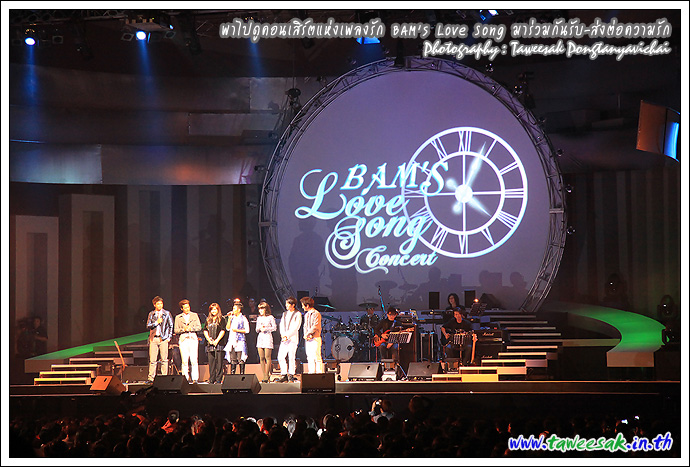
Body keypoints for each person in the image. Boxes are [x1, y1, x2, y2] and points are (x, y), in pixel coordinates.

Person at [173, 299, 202, 383]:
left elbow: (199, 327)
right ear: (182, 309)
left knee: (194, 359)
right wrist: (183, 329)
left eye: (188, 307)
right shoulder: (178, 317)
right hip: (183, 339)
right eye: (185, 308)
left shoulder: (194, 315)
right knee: (184, 360)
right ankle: (185, 378)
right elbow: (176, 330)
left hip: (192, 338)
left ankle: (195, 378)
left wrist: (191, 328)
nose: (187, 309)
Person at [146, 296, 174, 382]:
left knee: (164, 359)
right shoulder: (151, 314)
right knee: (153, 360)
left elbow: (171, 325)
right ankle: (151, 378)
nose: (160, 305)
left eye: (161, 303)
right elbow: (148, 326)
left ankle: (164, 378)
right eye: (158, 304)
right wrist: (156, 322)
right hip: (153, 339)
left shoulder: (167, 313)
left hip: (163, 339)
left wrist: (169, 337)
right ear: (154, 305)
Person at [277, 296, 302, 382]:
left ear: (293, 305)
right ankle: (284, 374)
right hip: (284, 339)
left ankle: (291, 374)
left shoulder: (297, 314)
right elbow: (281, 325)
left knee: (291, 356)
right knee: (280, 356)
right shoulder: (284, 314)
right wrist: (283, 335)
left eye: (288, 304)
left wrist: (287, 335)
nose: (286, 305)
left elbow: (296, 327)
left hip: (292, 338)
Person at [203, 303, 226, 384]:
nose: (213, 311)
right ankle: (212, 379)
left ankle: (219, 379)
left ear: (218, 310)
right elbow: (205, 330)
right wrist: (209, 339)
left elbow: (223, 330)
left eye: (215, 309)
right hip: (210, 344)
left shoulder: (222, 319)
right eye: (212, 309)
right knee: (211, 362)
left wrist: (217, 340)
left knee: (219, 362)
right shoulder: (208, 319)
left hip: (219, 343)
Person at [225, 300, 250, 374]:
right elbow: (227, 328)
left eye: (234, 309)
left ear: (239, 310)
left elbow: (247, 330)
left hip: (240, 341)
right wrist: (229, 319)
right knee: (233, 359)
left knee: (240, 358)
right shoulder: (232, 318)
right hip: (232, 340)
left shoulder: (243, 318)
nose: (233, 310)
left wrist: (237, 330)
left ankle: (242, 374)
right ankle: (233, 374)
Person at [256, 301, 277, 383]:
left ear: (266, 309)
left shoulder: (270, 317)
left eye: (262, 309)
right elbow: (256, 329)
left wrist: (266, 328)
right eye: (259, 309)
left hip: (267, 337)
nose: (260, 311)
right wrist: (260, 328)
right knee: (261, 357)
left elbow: (274, 328)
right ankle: (264, 374)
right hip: (260, 337)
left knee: (267, 357)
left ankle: (267, 375)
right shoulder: (259, 318)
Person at [301, 296, 323, 374]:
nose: (302, 307)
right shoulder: (306, 314)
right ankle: (311, 373)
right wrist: (305, 335)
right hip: (308, 339)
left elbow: (315, 326)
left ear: (307, 305)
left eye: (303, 305)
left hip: (315, 338)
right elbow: (305, 326)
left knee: (316, 356)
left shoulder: (316, 313)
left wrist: (308, 333)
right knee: (309, 357)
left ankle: (319, 373)